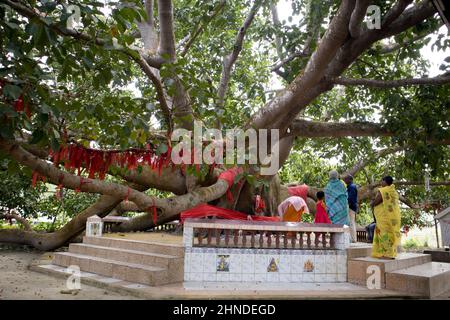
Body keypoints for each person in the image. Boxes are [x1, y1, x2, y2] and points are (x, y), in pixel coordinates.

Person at [370, 176, 401, 259]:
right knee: (390, 234)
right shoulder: (393, 191)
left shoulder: (383, 190)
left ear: (385, 181)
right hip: (392, 218)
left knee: (383, 234)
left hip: (383, 217)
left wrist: (372, 203)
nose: (381, 183)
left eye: (382, 181)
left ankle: (388, 253)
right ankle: (390, 253)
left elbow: (377, 201)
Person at [343, 175, 358, 243]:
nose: (344, 180)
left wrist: (348, 205)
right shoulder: (350, 187)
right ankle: (352, 238)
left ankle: (353, 239)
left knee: (351, 222)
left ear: (350, 179)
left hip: (351, 207)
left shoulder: (352, 187)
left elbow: (351, 198)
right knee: (350, 222)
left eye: (346, 179)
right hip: (351, 206)